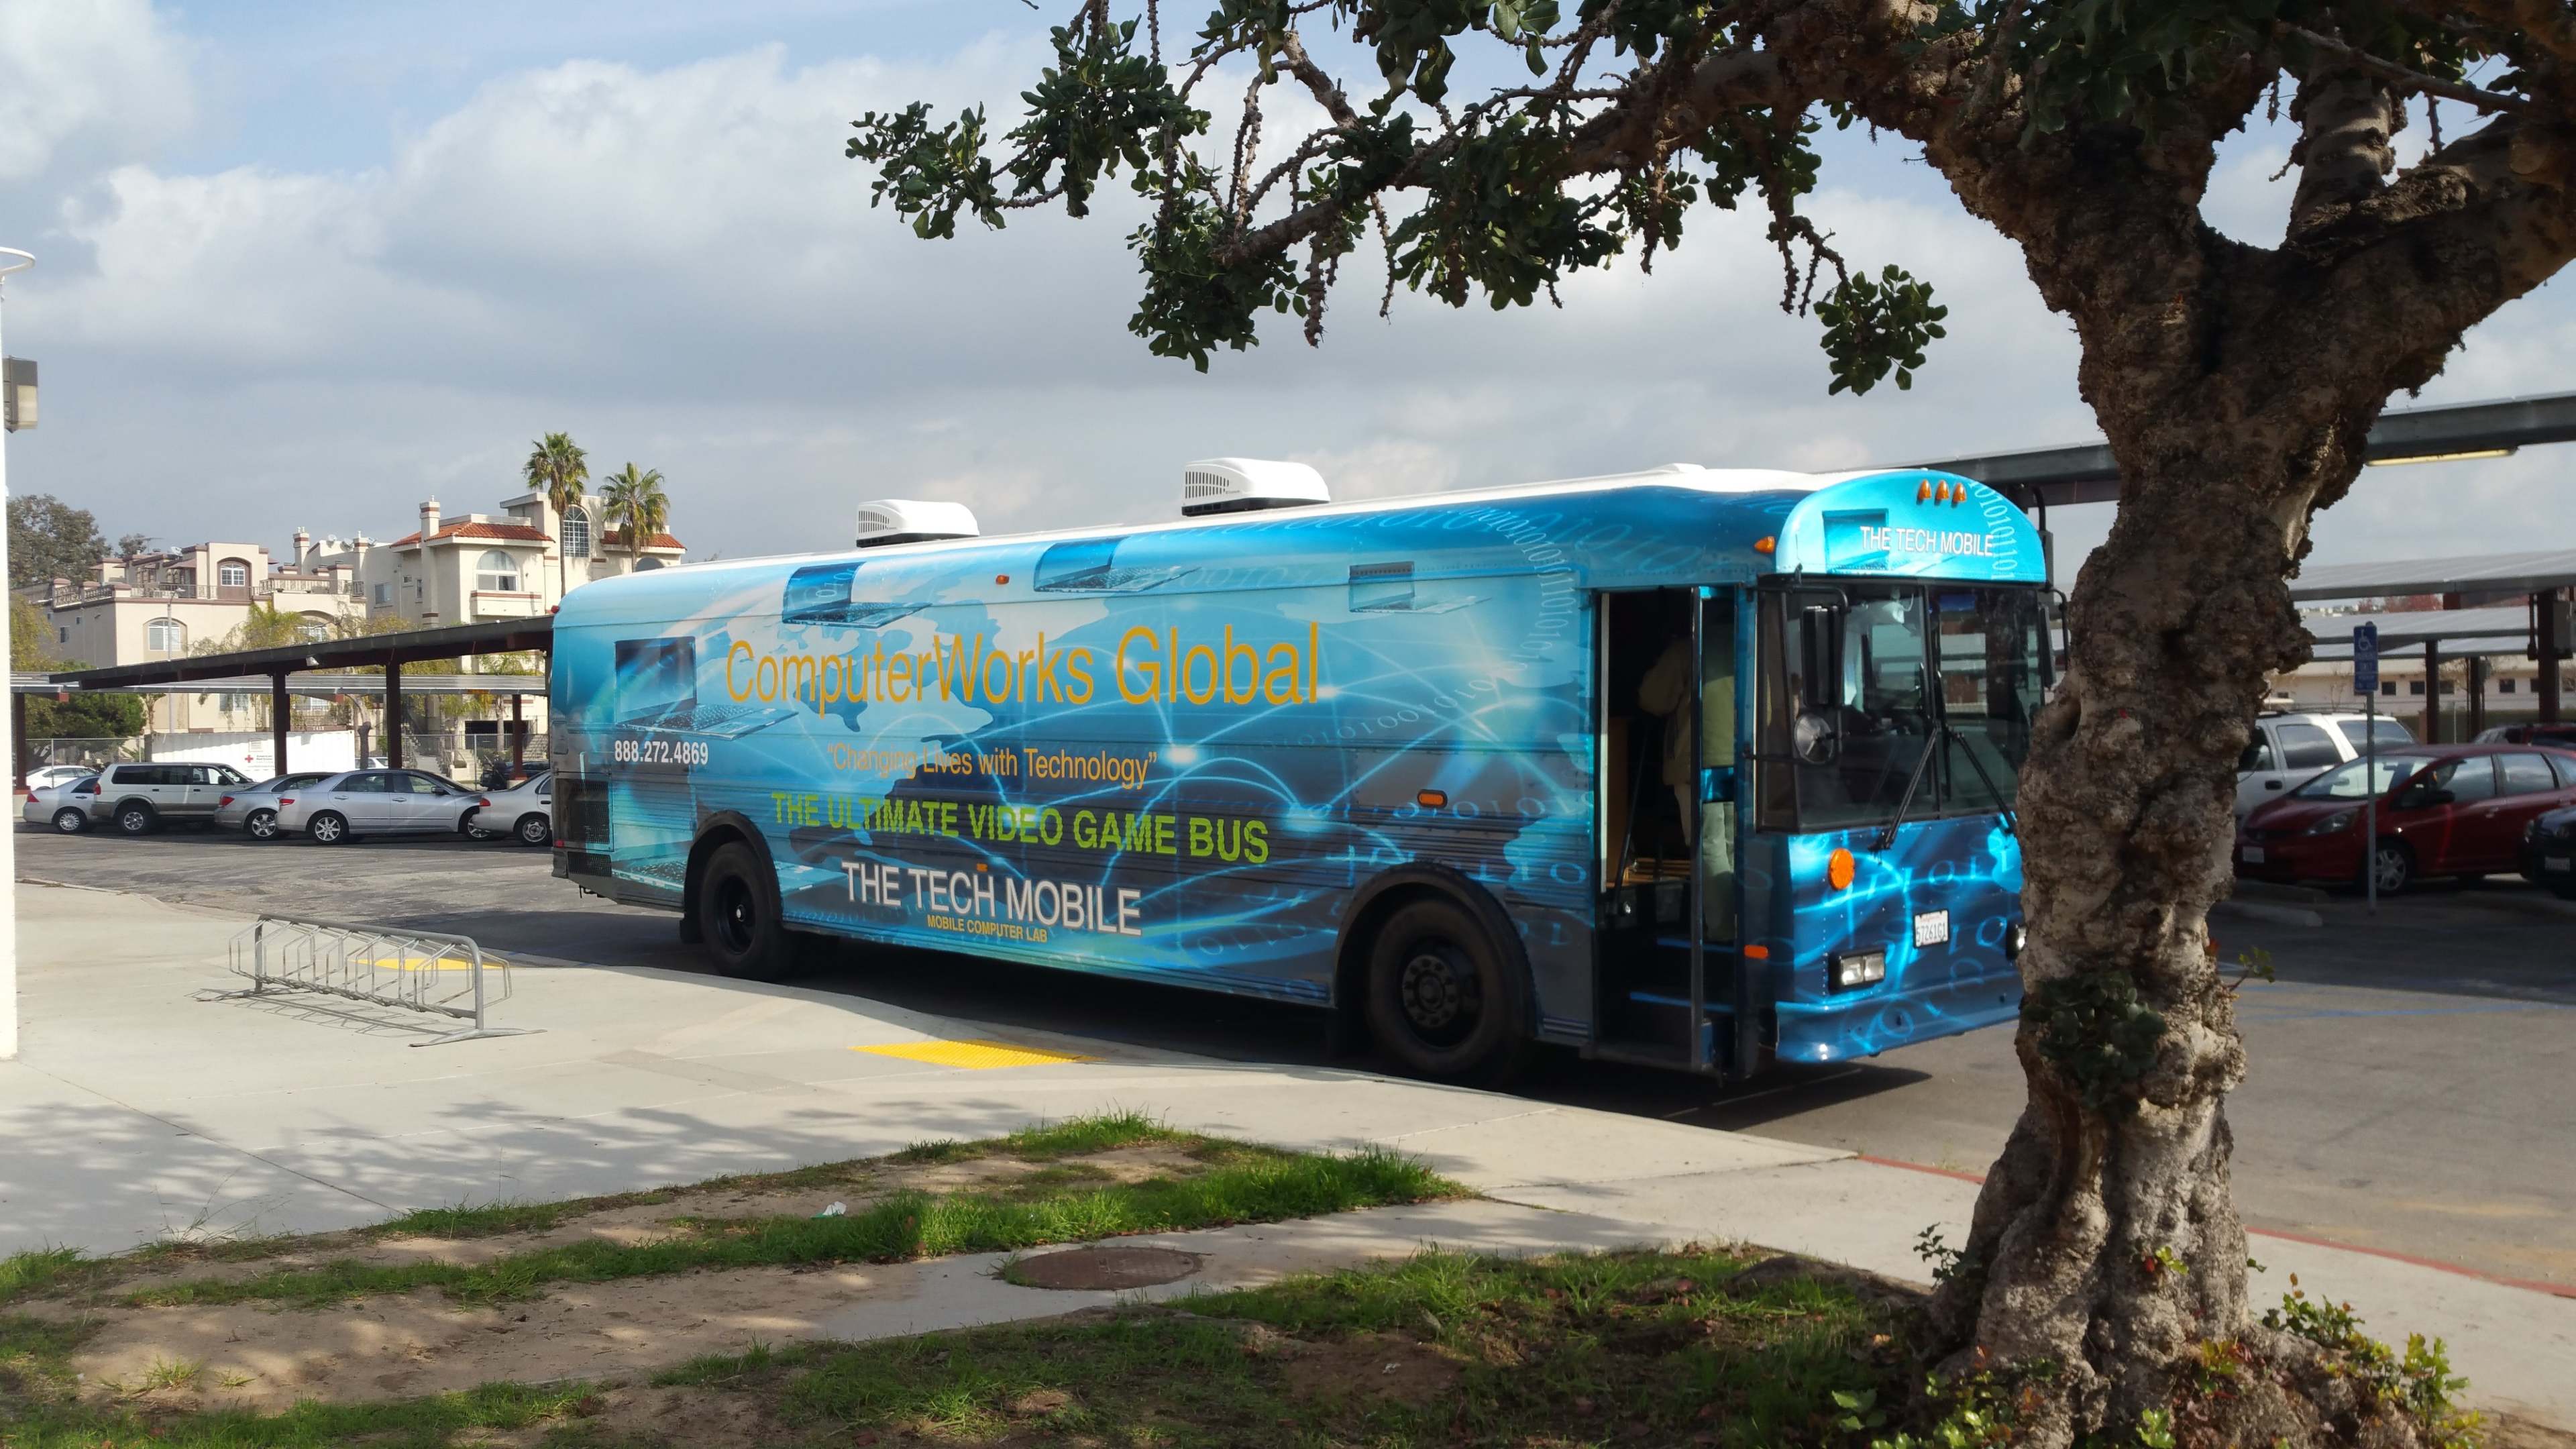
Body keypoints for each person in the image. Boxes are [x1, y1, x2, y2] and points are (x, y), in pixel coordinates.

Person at [1638, 627, 1737, 940]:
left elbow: (1652, 699)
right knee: (1737, 845)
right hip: (1745, 760)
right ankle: (1743, 922)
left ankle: (1721, 929)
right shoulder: (1748, 638)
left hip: (1698, 760)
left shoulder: (1686, 650)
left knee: (1709, 844)